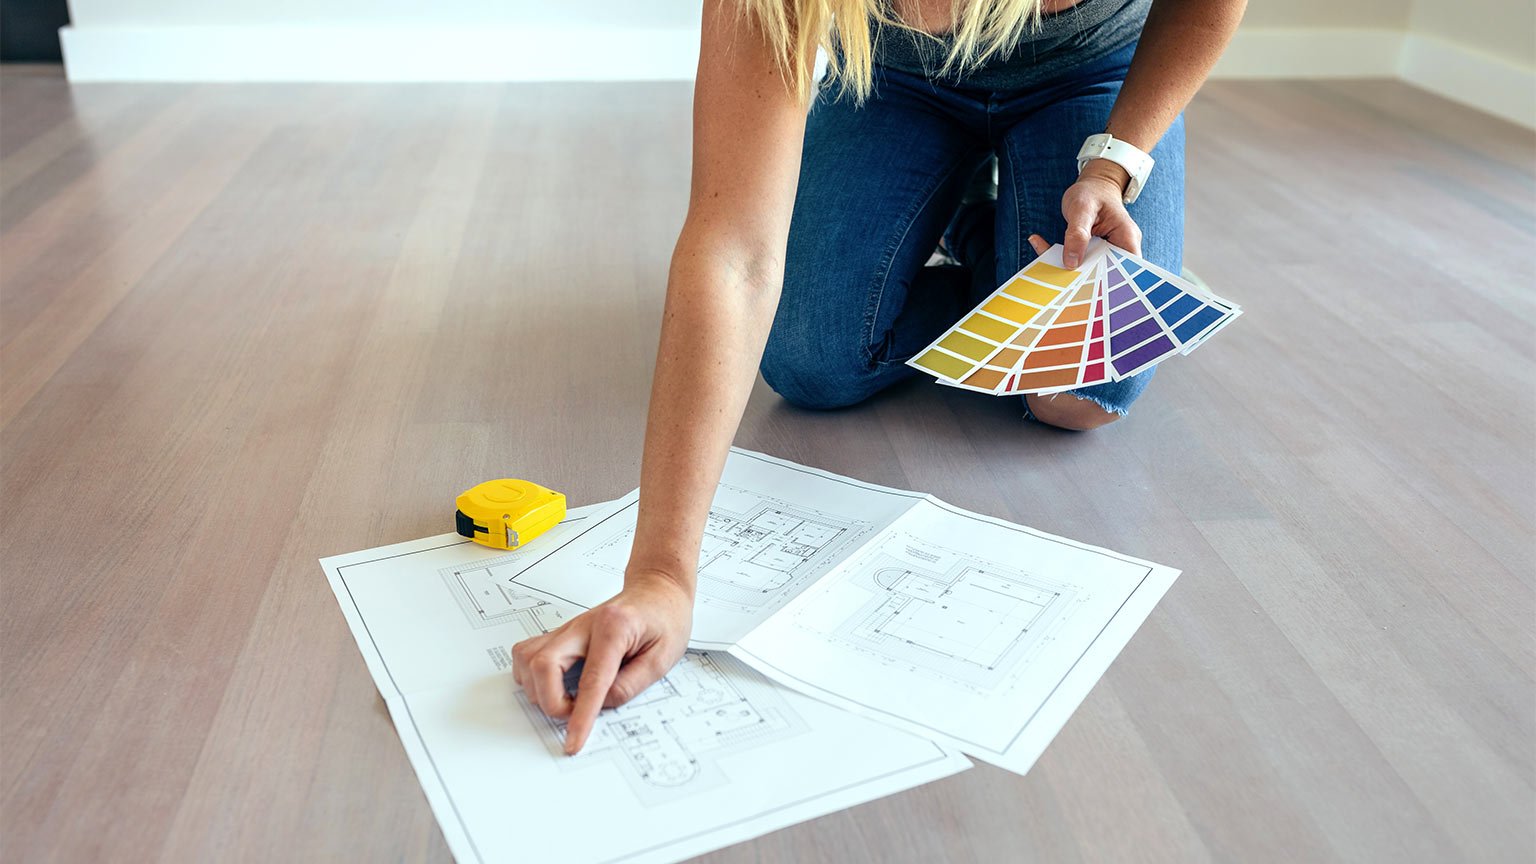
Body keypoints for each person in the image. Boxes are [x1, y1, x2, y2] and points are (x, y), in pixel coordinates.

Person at [512, 0, 1245, 753]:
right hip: (894, 76)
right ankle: (973, 227)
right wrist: (662, 574)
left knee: (1078, 391)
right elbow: (733, 250)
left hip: (1095, 76)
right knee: (810, 360)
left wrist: (1114, 162)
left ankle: (990, 226)